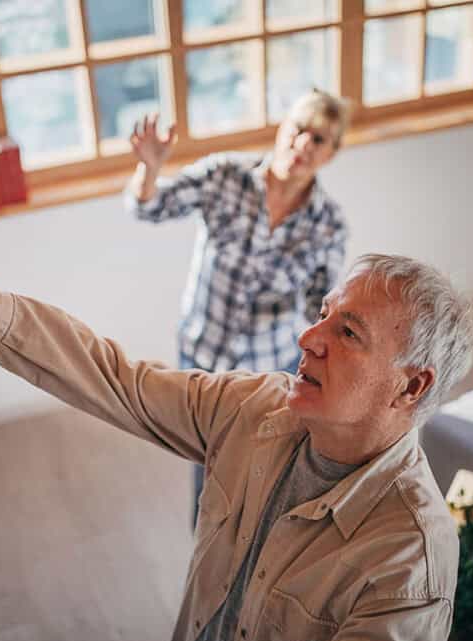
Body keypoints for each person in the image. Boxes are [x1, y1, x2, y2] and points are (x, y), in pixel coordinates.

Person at [0, 222, 473, 641]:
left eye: (349, 333)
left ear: (411, 386)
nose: (310, 338)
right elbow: (116, 378)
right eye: (323, 314)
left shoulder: (410, 559)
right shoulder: (257, 407)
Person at [126, 89, 351, 519]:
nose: (304, 143)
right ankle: (204, 553)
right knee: (207, 463)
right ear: (282, 128)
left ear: (331, 153)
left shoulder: (330, 226)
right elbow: (151, 207)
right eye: (299, 129)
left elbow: (317, 310)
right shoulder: (224, 174)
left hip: (272, 366)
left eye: (318, 139)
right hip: (203, 353)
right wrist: (149, 169)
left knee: (266, 467)